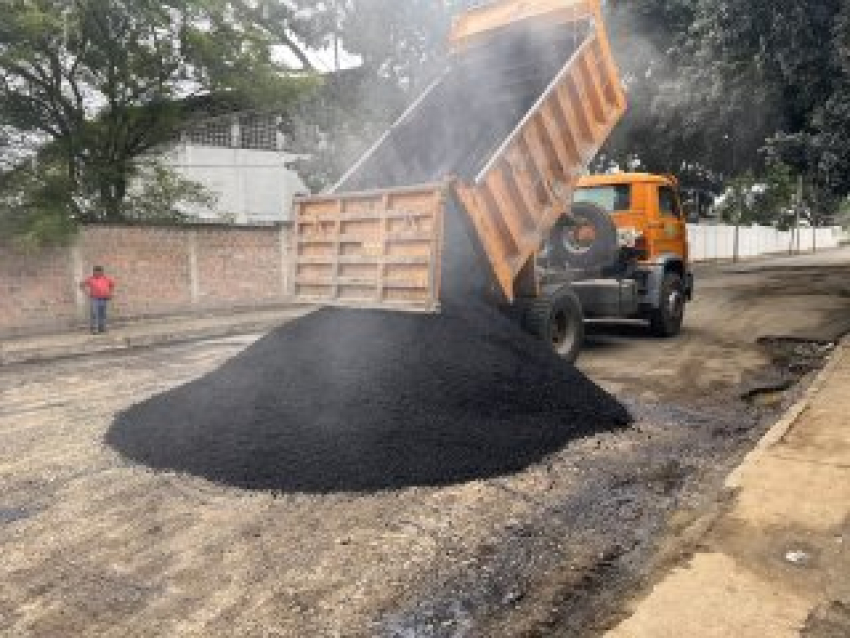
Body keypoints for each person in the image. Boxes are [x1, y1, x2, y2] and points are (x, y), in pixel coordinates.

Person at [80, 266, 116, 334]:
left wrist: (110, 293)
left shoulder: (105, 278)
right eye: (96, 272)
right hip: (95, 299)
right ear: (94, 272)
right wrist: (87, 293)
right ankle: (94, 329)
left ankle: (102, 328)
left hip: (104, 298)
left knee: (102, 314)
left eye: (100, 272)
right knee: (94, 313)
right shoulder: (91, 279)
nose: (98, 273)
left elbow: (112, 285)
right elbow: (82, 285)